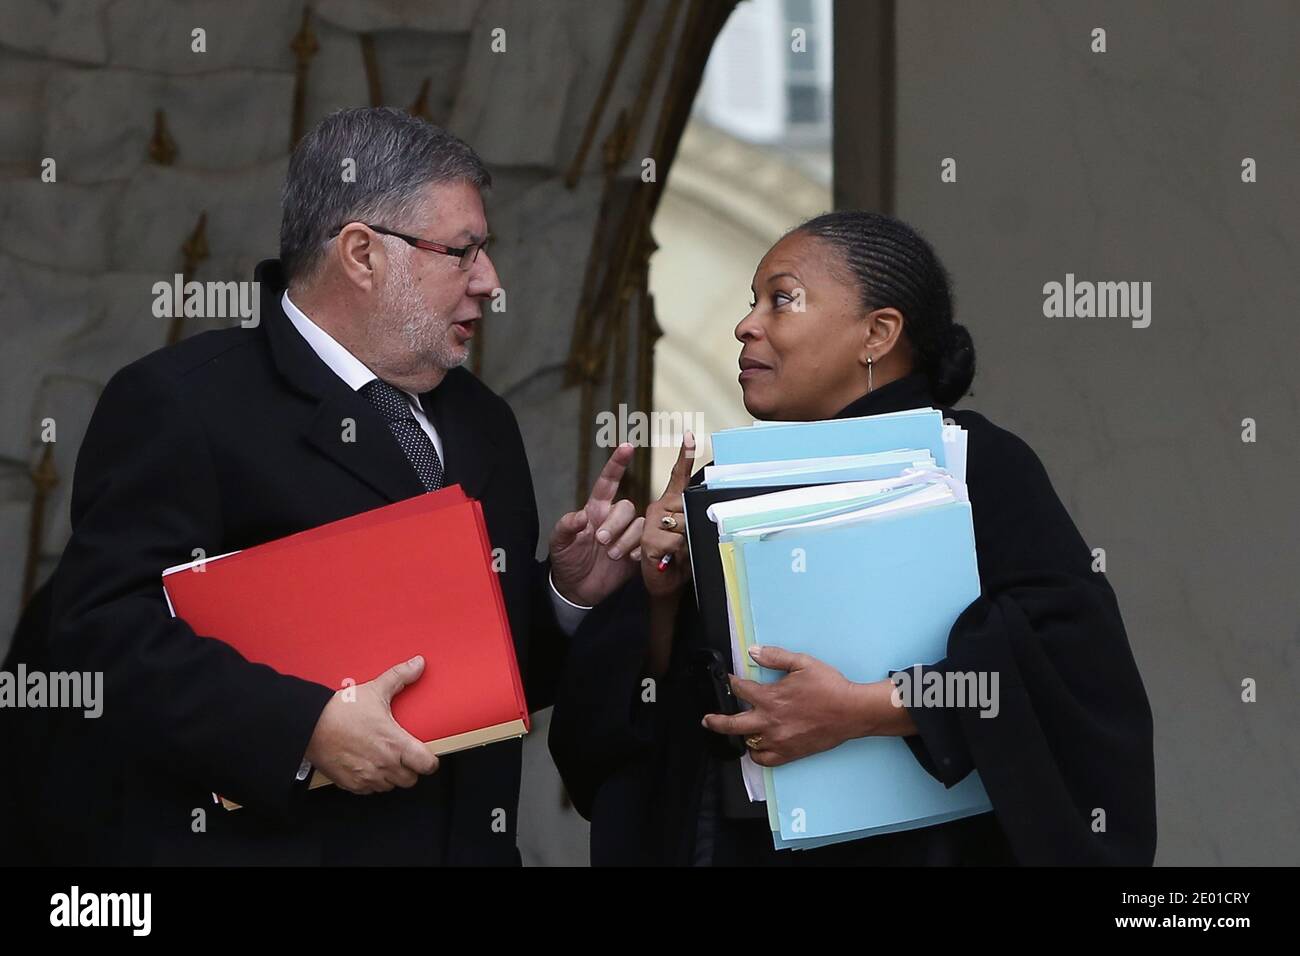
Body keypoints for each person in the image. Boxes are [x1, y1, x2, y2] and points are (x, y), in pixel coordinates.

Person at [27, 107, 643, 865]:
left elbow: (473, 678)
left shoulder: (483, 422)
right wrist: (305, 728)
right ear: (362, 253)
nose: (489, 282)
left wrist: (567, 598)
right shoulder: (184, 402)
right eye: (465, 251)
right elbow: (101, 640)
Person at [549, 211, 1157, 866]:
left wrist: (865, 708)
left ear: (878, 333)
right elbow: (628, 736)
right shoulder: (719, 486)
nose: (746, 324)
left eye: (781, 299)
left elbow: (1063, 666)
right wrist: (662, 598)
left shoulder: (975, 466)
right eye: (752, 302)